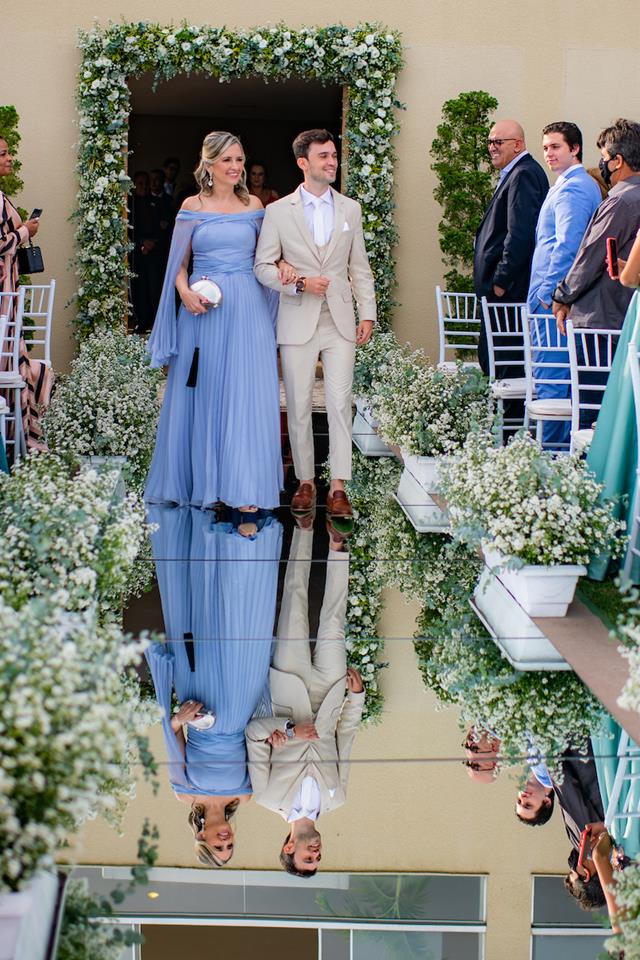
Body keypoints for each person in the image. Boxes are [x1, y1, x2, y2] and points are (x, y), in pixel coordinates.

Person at [145, 131, 283, 511]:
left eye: (240, 160)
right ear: (209, 165)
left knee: (245, 393)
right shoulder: (191, 205)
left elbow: (268, 256)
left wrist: (286, 268)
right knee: (203, 392)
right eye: (228, 161)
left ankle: (245, 488)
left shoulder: (254, 204)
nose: (236, 168)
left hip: (248, 309)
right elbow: (177, 264)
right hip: (201, 311)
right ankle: (205, 484)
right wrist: (184, 292)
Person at [146, 504, 283, 866]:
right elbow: (261, 748)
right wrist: (273, 739)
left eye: (218, 846)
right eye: (230, 847)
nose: (225, 841)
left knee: (204, 622)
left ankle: (209, 533)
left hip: (201, 700)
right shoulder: (248, 795)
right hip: (240, 705)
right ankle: (245, 540)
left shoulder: (185, 792)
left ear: (201, 837)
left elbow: (171, 737)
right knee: (242, 626)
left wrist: (180, 718)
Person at [254, 128, 376, 520]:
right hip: (297, 317)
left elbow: (359, 267)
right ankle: (305, 482)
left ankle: (338, 486)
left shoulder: (350, 209)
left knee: (341, 402)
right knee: (300, 403)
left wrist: (368, 311)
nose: (332, 161)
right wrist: (299, 284)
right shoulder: (277, 212)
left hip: (340, 318)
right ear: (303, 163)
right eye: (323, 156)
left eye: (334, 155)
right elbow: (262, 268)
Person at [245, 522, 365, 877]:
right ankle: (338, 545)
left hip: (289, 693)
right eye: (318, 857)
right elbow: (346, 740)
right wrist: (356, 698)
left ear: (288, 848)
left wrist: (289, 730)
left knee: (294, 607)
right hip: (330, 695)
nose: (316, 852)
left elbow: (253, 734)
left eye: (308, 857)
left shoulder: (267, 797)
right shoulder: (337, 797)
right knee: (334, 621)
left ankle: (304, 528)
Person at [527, 122, 603, 446]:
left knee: (553, 378)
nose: (548, 153)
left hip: (553, 298)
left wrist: (547, 292)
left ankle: (552, 457)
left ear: (575, 149)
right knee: (549, 377)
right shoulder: (565, 185)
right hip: (551, 294)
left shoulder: (575, 187)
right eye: (545, 147)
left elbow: (568, 245)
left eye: (555, 146)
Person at [473, 119, 548, 375]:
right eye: (489, 142)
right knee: (494, 360)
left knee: (504, 363)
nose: (492, 147)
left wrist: (501, 281)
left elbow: (520, 234)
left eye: (498, 142)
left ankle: (506, 417)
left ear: (518, 145)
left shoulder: (523, 173)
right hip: (502, 292)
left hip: (508, 292)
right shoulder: (515, 172)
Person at [553, 118, 640, 335]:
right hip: (626, 317)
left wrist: (562, 295)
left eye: (604, 158)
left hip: (602, 319)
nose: (601, 165)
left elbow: (591, 255)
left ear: (617, 161)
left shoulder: (622, 201)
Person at [0, 135, 53, 454]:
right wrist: (24, 233)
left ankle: (18, 437)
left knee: (22, 363)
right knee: (17, 365)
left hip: (9, 292)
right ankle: (19, 443)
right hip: (1, 297)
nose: (9, 159)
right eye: (4, 154)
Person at [129, 171, 164, 334]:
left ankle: (156, 323)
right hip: (136, 253)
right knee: (139, 289)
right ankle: (141, 321)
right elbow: (128, 231)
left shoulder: (156, 204)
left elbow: (164, 229)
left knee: (154, 288)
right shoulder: (129, 204)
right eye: (140, 183)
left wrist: (152, 243)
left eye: (145, 183)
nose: (143, 187)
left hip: (155, 253)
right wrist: (141, 243)